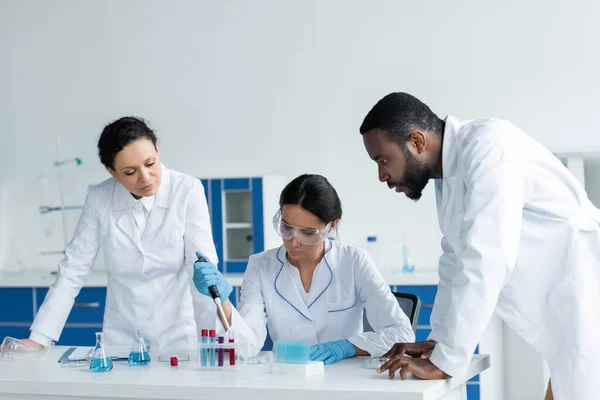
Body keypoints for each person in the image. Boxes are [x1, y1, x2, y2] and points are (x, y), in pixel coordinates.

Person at [359, 92, 600, 399]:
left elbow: (486, 258)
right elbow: (455, 260)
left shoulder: (489, 146)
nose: (381, 175)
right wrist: (439, 344)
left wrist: (447, 361)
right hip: (570, 317)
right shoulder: (450, 176)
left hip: (587, 302)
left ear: (417, 142)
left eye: (383, 160)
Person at [19, 116, 218, 351]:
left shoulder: (187, 190)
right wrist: (39, 338)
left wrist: (214, 339)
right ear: (112, 171)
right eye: (130, 171)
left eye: (150, 163)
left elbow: (202, 269)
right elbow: (73, 270)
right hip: (123, 336)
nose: (145, 178)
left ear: (157, 149)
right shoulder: (99, 199)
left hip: (179, 335)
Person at [193, 174, 415, 364]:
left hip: (345, 380)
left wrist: (348, 346)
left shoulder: (354, 261)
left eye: (308, 233)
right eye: (287, 228)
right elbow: (247, 346)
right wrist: (222, 301)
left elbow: (401, 333)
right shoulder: (261, 266)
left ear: (332, 226)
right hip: (288, 378)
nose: (294, 241)